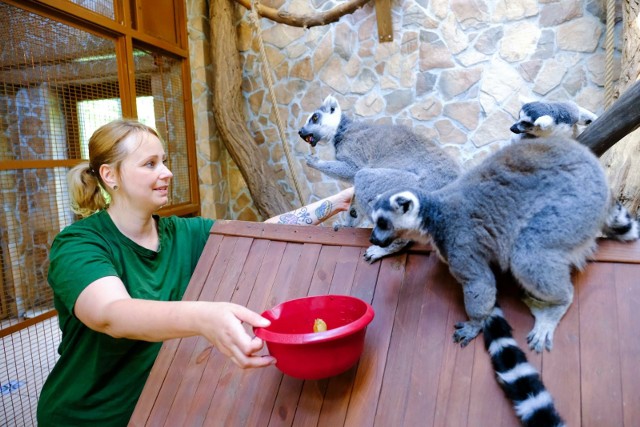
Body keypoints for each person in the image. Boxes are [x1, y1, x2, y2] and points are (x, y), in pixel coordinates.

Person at [37, 119, 354, 426]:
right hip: (88, 415)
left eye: (163, 161)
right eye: (150, 164)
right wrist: (204, 317)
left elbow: (262, 233)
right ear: (110, 175)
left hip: (155, 408)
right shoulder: (79, 244)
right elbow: (110, 314)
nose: (167, 173)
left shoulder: (182, 233)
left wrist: (336, 202)